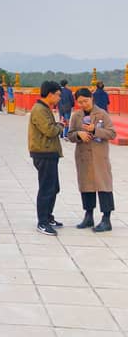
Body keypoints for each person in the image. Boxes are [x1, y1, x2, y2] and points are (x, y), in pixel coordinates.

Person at [68, 88, 115, 232]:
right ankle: (88, 216)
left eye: (85, 101)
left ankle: (106, 219)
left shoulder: (102, 114)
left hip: (99, 156)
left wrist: (95, 130)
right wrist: (79, 134)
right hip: (83, 156)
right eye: (80, 102)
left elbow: (112, 133)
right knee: (86, 186)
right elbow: (70, 135)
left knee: (104, 186)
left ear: (92, 98)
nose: (83, 104)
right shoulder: (76, 116)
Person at [30, 81, 65, 235]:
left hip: (50, 152)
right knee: (46, 188)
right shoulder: (39, 110)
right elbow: (50, 131)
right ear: (50, 94)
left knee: (53, 187)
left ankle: (48, 216)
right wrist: (60, 126)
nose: (59, 98)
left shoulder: (45, 109)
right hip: (43, 153)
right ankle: (42, 222)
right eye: (58, 95)